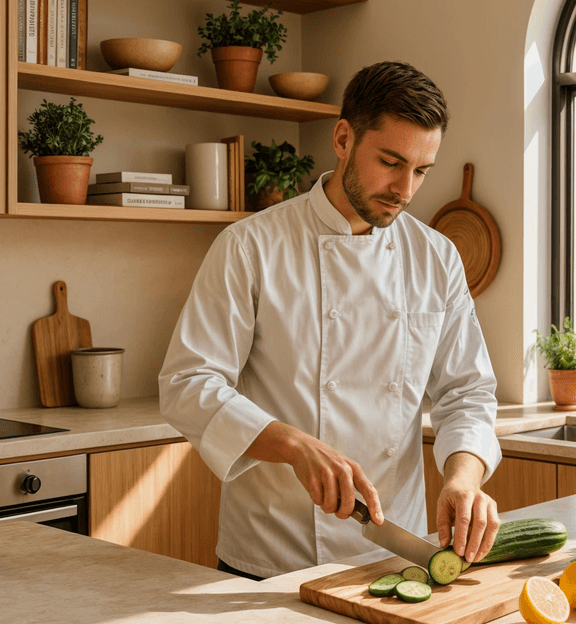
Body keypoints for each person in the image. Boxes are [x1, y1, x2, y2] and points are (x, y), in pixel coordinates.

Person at [159, 60, 502, 580]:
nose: (405, 189)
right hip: (273, 552)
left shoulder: (436, 257)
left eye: (421, 171)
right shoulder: (250, 246)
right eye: (390, 162)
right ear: (343, 138)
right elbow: (187, 383)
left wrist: (463, 478)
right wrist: (294, 445)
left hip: (394, 552)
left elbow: (467, 392)